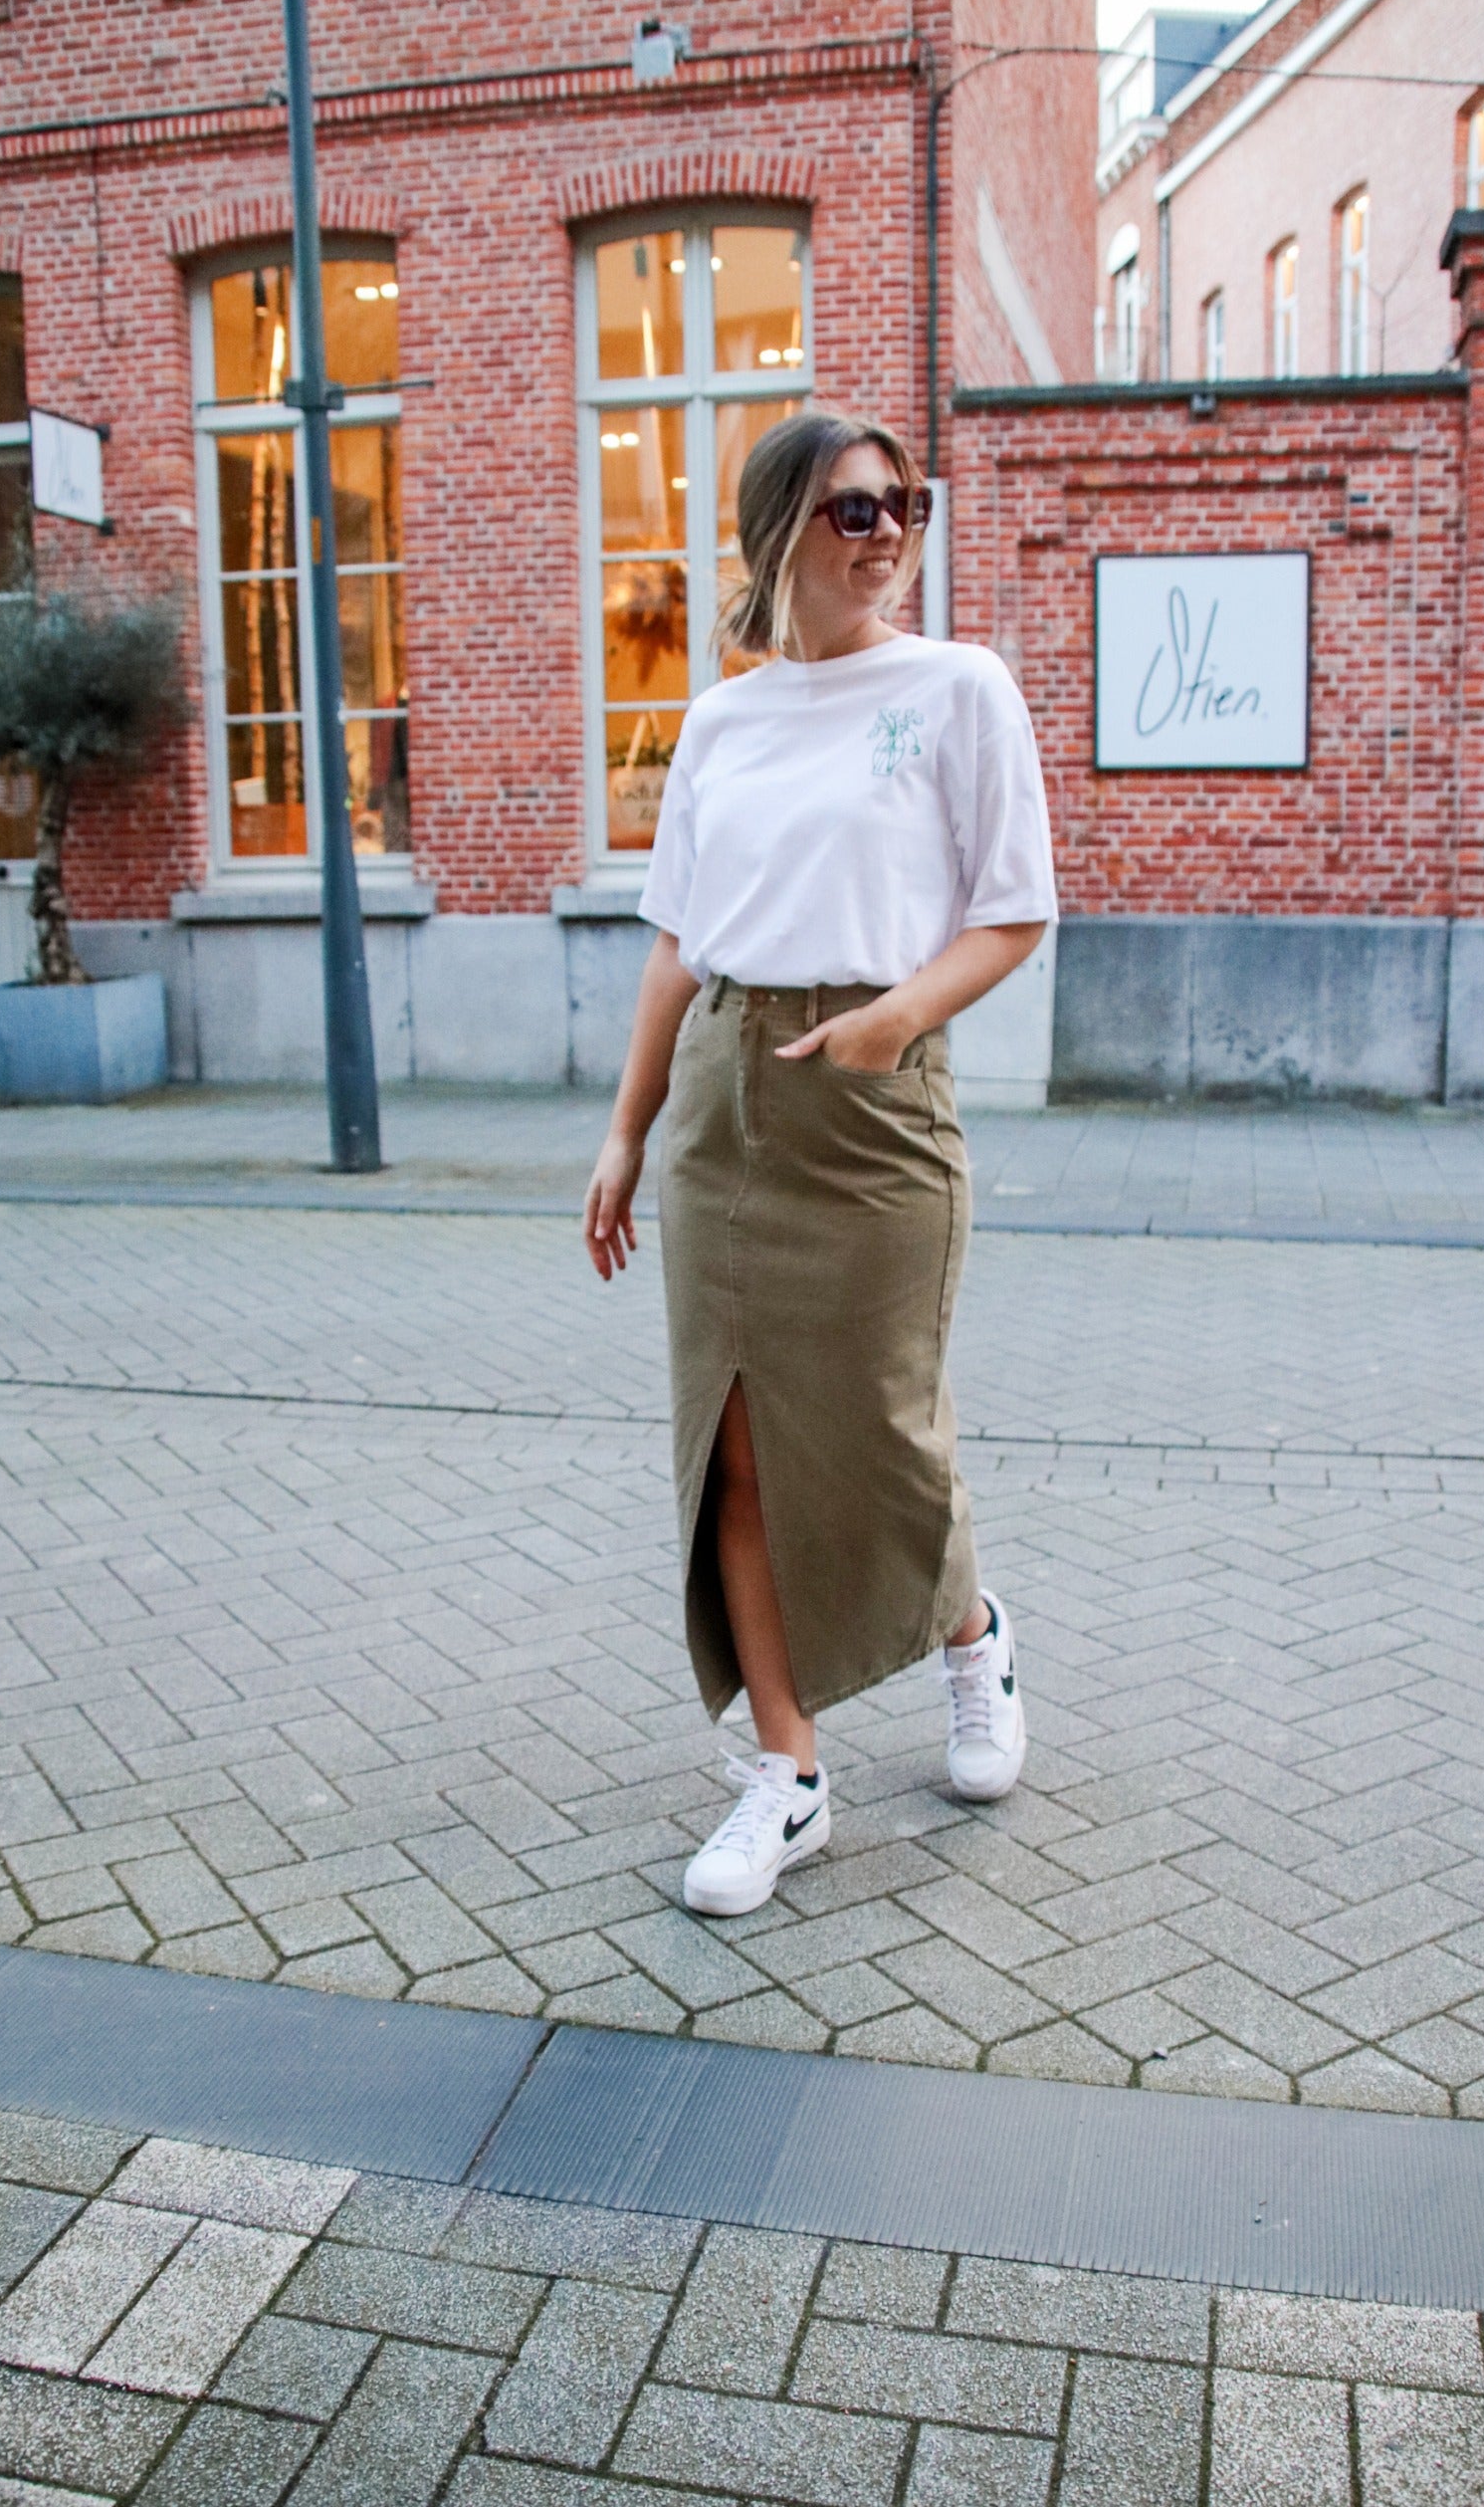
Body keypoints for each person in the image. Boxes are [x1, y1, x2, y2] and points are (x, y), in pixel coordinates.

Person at [583, 408, 1057, 1917]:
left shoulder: (960, 687)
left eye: (904, 504)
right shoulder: (722, 722)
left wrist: (895, 1019)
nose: (888, 532)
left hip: (873, 1103)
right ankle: (787, 1772)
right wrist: (625, 1129)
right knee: (734, 1441)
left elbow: (1013, 909)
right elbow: (677, 945)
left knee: (883, 1424)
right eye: (855, 508)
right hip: (724, 1099)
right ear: (780, 526)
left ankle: (971, 1635)